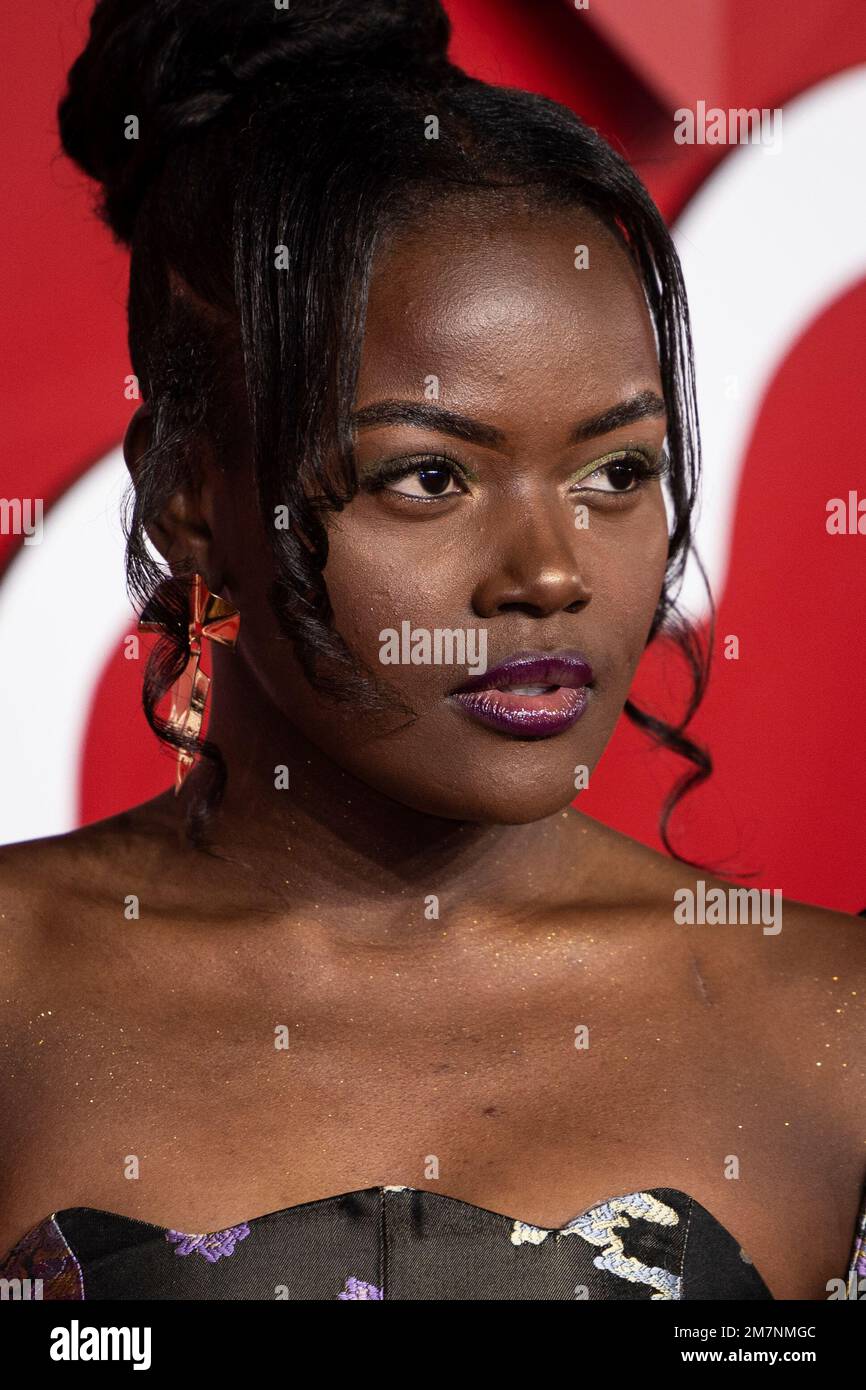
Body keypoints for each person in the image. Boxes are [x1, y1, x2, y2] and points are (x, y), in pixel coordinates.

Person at [0, 0, 863, 1302]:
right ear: (189, 493)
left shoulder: (838, 1018)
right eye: (427, 477)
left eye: (618, 468)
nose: (550, 571)